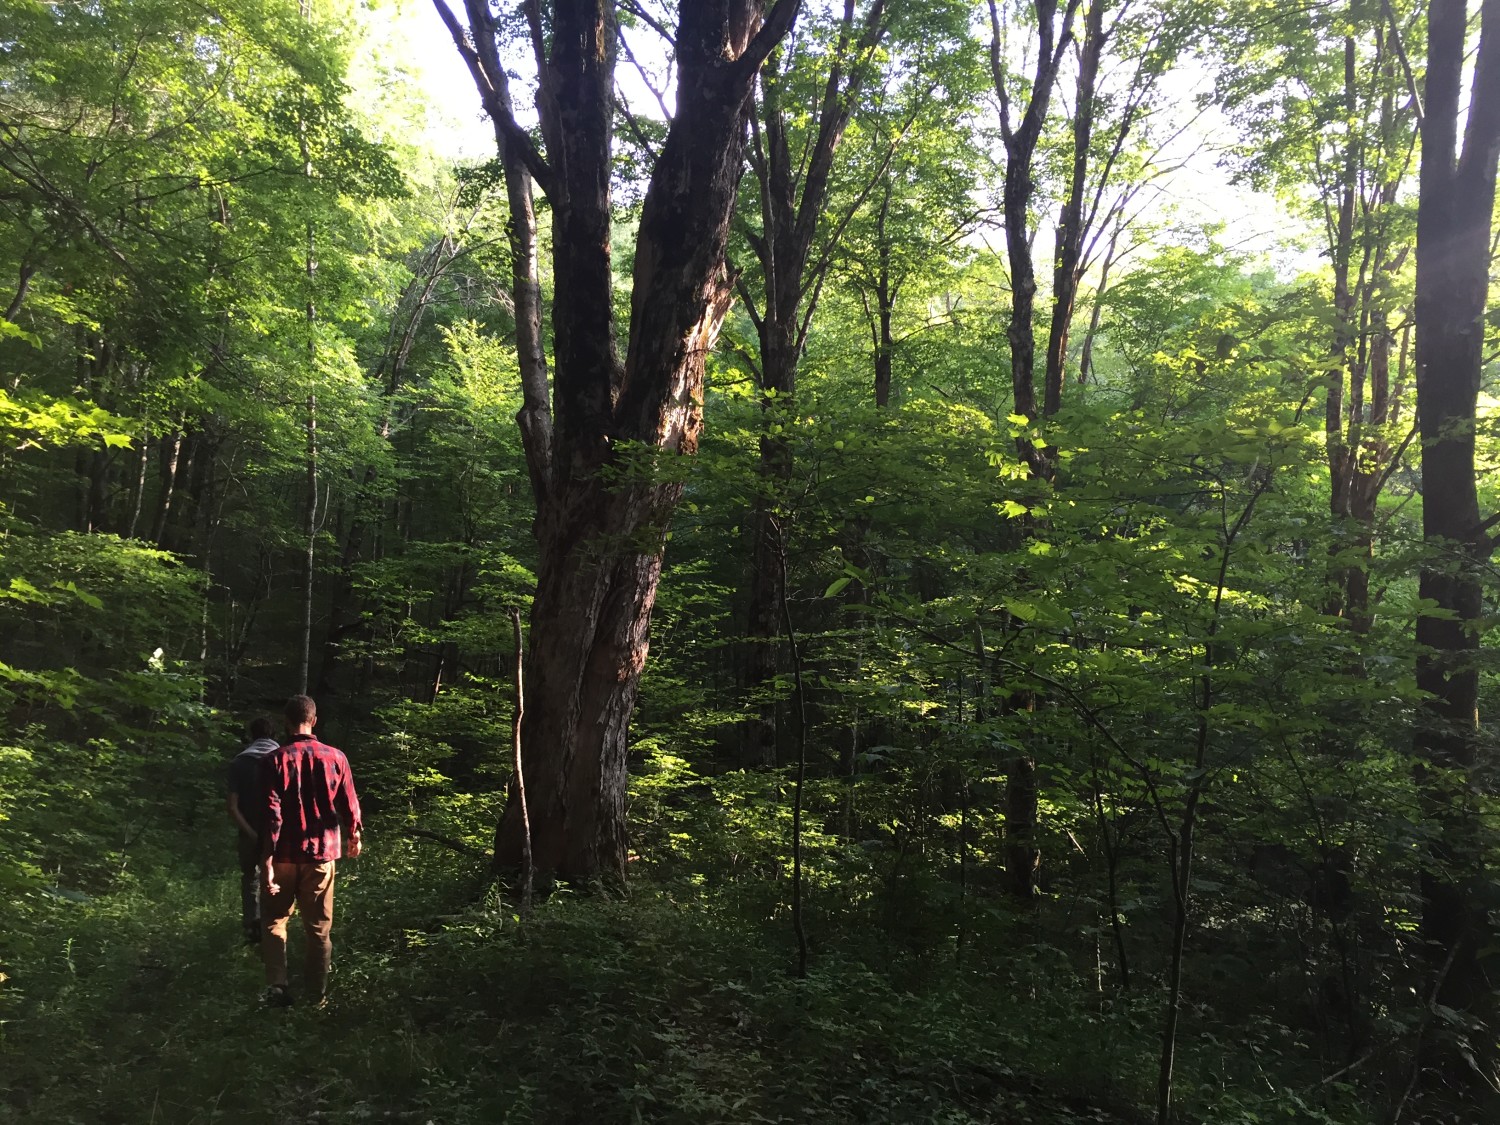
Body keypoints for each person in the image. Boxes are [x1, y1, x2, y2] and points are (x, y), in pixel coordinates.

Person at [257, 694, 362, 1008]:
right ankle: (316, 999)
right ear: (314, 720)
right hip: (321, 855)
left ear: (286, 722)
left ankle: (278, 987)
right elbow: (349, 805)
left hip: (284, 855)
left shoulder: (273, 761)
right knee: (318, 929)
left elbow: (272, 815)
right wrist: (354, 835)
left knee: (275, 920)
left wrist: (267, 861)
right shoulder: (336, 758)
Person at [226, 716, 279, 946]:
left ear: (251, 735)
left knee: (250, 878)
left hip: (249, 833)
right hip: (278, 833)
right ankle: (273, 927)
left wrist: (249, 832)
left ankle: (252, 928)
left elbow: (232, 806)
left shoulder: (239, 763)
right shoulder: (283, 758)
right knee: (277, 878)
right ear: (274, 734)